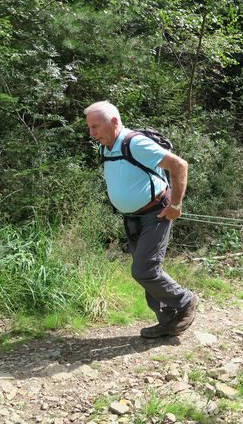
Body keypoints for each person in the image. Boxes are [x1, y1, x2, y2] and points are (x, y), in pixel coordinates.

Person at [85, 101, 198, 338]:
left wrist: (176, 205)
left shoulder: (134, 143)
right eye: (90, 128)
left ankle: (185, 301)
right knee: (147, 270)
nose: (92, 133)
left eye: (96, 127)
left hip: (156, 213)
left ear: (114, 122)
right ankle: (168, 320)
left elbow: (179, 165)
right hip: (134, 217)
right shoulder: (106, 147)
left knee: (144, 270)